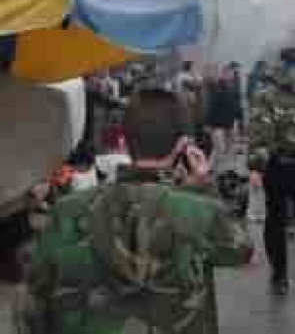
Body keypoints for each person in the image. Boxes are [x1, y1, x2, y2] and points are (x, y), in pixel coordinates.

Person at [15, 85, 252, 334]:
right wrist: (204, 186)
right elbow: (241, 250)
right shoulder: (199, 212)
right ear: (182, 146)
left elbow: (34, 301)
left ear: (125, 142)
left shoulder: (67, 211)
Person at [247, 47, 295, 315]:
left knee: (276, 223)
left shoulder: (266, 93)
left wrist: (256, 167)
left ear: (280, 63)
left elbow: (260, 131)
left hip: (278, 167)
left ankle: (279, 276)